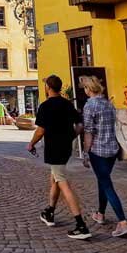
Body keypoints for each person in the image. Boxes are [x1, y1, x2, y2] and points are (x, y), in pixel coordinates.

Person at [27, 74, 91, 240]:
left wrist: (31, 144)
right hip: (65, 148)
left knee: (62, 182)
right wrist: (71, 135)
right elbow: (80, 124)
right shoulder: (67, 104)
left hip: (54, 149)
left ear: (48, 87)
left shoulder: (45, 106)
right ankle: (50, 211)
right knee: (54, 178)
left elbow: (40, 131)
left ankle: (81, 224)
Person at [80, 75, 127, 238]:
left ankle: (122, 222)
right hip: (112, 149)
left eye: (85, 89)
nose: (85, 91)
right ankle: (100, 213)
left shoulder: (90, 106)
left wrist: (86, 152)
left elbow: (89, 131)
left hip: (98, 150)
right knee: (103, 180)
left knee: (106, 184)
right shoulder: (109, 104)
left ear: (89, 89)